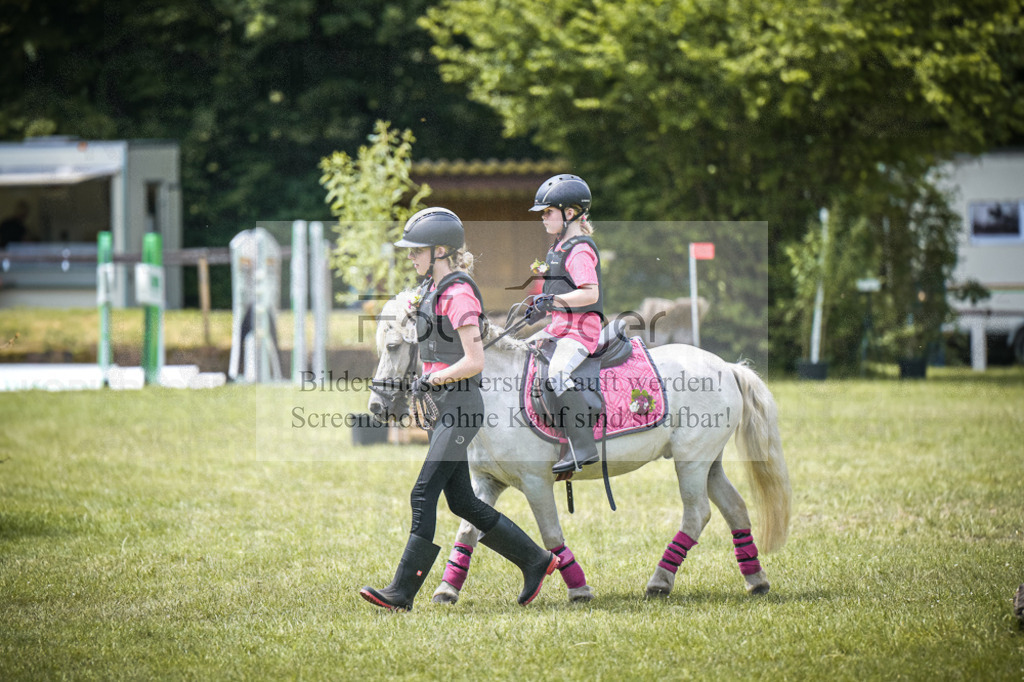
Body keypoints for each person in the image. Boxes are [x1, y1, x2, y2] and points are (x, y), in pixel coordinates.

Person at [359, 207, 558, 612]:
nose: (411, 257)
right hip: (441, 409)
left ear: (441, 251)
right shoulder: (429, 291)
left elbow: (474, 360)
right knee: (463, 502)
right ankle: (536, 561)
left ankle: (401, 592)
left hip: (462, 407)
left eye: (418, 251)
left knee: (422, 493)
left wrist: (433, 379)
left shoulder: (460, 293)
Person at [524, 174, 604, 475]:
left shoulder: (579, 249)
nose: (543, 218)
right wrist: (539, 306)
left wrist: (553, 303)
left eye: (548, 212)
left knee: (557, 373)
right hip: (560, 328)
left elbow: (589, 292)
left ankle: (582, 444)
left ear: (569, 213)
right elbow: (557, 294)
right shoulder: (558, 248)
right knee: (522, 353)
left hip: (581, 332)